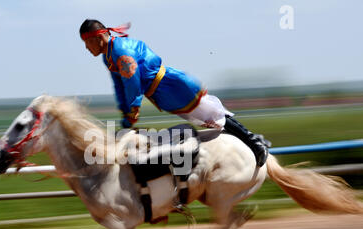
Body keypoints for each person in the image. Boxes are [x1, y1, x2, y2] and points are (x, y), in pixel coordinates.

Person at [79, 19, 270, 166]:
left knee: (212, 115)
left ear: (97, 38)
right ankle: (251, 141)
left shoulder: (121, 52)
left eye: (87, 43)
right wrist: (125, 113)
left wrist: (131, 113)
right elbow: (119, 86)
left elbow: (132, 84)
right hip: (162, 93)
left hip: (171, 86)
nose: (87, 49)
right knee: (208, 120)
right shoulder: (108, 57)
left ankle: (255, 143)